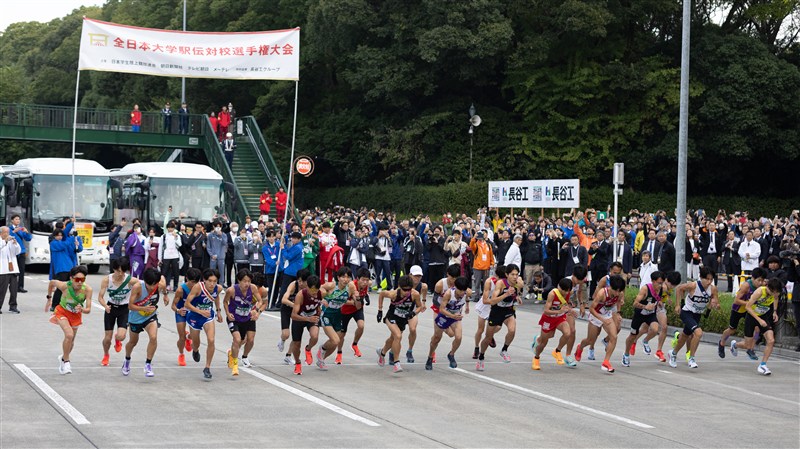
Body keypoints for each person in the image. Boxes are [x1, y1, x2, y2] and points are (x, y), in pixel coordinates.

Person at [669, 266, 720, 369]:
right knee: (698, 333)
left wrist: (715, 304)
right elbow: (679, 288)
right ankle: (691, 358)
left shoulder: (713, 289)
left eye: (711, 279)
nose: (709, 282)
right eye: (707, 279)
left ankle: (673, 353)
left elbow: (716, 302)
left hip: (697, 314)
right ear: (701, 277)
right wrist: (678, 304)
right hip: (687, 312)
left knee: (684, 337)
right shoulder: (693, 285)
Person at [46, 266, 93, 375]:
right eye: (77, 279)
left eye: (83, 279)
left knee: (71, 342)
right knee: (69, 335)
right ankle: (66, 362)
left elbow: (88, 309)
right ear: (71, 278)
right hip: (62, 311)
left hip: (75, 315)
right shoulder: (64, 286)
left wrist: (82, 309)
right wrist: (49, 298)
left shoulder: (87, 290)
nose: (80, 282)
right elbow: (52, 282)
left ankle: (63, 358)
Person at [730, 278, 782, 375]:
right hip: (752, 316)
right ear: (769, 288)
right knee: (748, 345)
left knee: (771, 340)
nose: (776, 295)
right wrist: (759, 320)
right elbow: (747, 307)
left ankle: (763, 365)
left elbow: (776, 298)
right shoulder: (759, 292)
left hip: (763, 316)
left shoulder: (775, 294)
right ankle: (735, 345)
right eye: (774, 292)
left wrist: (775, 312)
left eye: (777, 292)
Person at [573, 275, 625, 373]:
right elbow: (592, 309)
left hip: (607, 315)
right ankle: (580, 347)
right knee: (590, 340)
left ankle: (606, 362)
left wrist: (618, 313)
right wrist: (602, 319)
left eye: (619, 291)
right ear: (610, 287)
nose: (617, 293)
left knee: (614, 336)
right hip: (595, 316)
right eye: (616, 291)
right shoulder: (602, 293)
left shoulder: (620, 293)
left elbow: (618, 302)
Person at [476, 263, 523, 370]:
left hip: (509, 310)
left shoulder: (518, 282)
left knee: (512, 330)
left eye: (516, 274)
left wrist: (517, 297)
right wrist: (506, 294)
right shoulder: (500, 284)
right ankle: (481, 356)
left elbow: (518, 291)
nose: (515, 277)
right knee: (488, 338)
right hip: (497, 311)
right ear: (507, 275)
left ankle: (504, 350)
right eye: (512, 274)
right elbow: (492, 301)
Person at [123, 268, 167, 378]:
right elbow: (130, 306)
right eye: (149, 285)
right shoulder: (138, 287)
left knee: (153, 337)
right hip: (136, 318)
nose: (152, 287)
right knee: (133, 342)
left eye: (154, 285)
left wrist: (165, 295)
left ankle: (148, 364)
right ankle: (127, 360)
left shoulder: (159, 284)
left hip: (150, 316)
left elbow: (163, 284)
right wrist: (143, 308)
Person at [376, 275, 424, 373]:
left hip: (403, 319)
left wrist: (413, 313)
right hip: (392, 317)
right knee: (398, 336)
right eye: (404, 290)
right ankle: (396, 362)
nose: (407, 292)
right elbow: (381, 294)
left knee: (393, 338)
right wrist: (380, 310)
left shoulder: (415, 294)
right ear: (399, 287)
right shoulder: (393, 294)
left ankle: (382, 352)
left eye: (409, 290)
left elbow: (420, 306)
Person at [619, 272, 666, 368]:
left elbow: (657, 299)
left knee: (655, 329)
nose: (660, 285)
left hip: (650, 314)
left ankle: (645, 341)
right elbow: (635, 303)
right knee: (632, 336)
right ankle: (626, 354)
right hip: (639, 314)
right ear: (653, 281)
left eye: (662, 283)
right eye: (658, 283)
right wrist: (645, 306)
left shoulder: (662, 289)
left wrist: (659, 302)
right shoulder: (645, 289)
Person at [718, 267, 766, 359]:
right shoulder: (746, 286)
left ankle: (750, 349)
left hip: (749, 311)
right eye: (758, 280)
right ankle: (722, 343)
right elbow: (736, 300)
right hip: (738, 309)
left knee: (757, 329)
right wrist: (749, 303)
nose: (760, 283)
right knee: (732, 329)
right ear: (753, 278)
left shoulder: (761, 286)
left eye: (762, 280)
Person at [184, 268, 224, 379]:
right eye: (210, 281)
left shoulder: (218, 288)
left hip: (208, 316)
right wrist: (200, 311)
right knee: (196, 343)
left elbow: (215, 298)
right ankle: (195, 350)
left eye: (214, 281)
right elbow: (187, 304)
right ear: (204, 280)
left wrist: (218, 311)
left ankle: (207, 367)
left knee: (211, 340)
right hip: (195, 316)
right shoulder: (197, 288)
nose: (212, 284)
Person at [97, 257, 136, 367]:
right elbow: (100, 297)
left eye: (123, 271)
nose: (121, 273)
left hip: (124, 309)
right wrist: (105, 306)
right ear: (114, 269)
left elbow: (143, 286)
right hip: (111, 308)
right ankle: (106, 355)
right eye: (118, 270)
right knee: (107, 339)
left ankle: (117, 339)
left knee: (121, 336)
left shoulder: (130, 280)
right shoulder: (107, 280)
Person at [316, 267, 357, 370]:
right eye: (343, 277)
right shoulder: (331, 285)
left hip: (338, 314)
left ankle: (321, 359)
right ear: (338, 277)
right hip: (327, 314)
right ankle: (322, 348)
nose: (345, 279)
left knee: (336, 342)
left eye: (348, 277)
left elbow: (355, 294)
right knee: (335, 340)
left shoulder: (350, 287)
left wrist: (357, 297)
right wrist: (321, 299)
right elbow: (319, 289)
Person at [224, 269, 263, 376]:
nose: (247, 284)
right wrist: (227, 313)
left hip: (248, 317)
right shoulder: (231, 290)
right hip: (235, 318)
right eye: (244, 281)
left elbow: (260, 301)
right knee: (237, 339)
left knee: (250, 340)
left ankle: (244, 357)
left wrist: (256, 309)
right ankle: (235, 365)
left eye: (249, 281)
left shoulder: (253, 288)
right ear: (239, 281)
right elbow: (225, 302)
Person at [427, 276, 470, 370]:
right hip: (444, 315)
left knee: (458, 337)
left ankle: (451, 354)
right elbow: (441, 309)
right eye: (460, 290)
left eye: (464, 290)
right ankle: (430, 356)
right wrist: (452, 316)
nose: (462, 293)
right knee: (437, 338)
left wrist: (467, 306)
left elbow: (467, 298)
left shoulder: (467, 292)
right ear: (456, 287)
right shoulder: (448, 294)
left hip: (455, 317)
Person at [531, 277, 574, 371]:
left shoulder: (568, 292)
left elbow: (566, 303)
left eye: (568, 291)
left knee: (567, 333)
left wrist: (570, 308)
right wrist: (559, 311)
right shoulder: (552, 294)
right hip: (549, 318)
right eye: (565, 291)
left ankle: (557, 351)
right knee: (544, 342)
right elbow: (546, 311)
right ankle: (536, 357)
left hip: (559, 318)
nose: (567, 293)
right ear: (560, 288)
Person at [290, 275, 323, 375]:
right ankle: (298, 363)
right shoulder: (300, 295)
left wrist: (320, 310)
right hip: (299, 319)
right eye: (312, 290)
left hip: (312, 317)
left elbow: (319, 304)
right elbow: (293, 315)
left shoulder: (320, 293)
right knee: (296, 344)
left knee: (315, 336)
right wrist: (307, 318)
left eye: (316, 290)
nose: (314, 293)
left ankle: (308, 349)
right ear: (307, 287)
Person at [336, 267, 370, 363]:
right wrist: (353, 302)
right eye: (363, 280)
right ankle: (339, 353)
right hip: (345, 311)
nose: (365, 282)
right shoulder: (351, 286)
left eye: (367, 280)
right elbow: (341, 300)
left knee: (361, 326)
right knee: (342, 334)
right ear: (357, 279)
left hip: (357, 309)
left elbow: (360, 302)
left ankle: (354, 344)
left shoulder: (366, 285)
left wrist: (366, 296)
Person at [48, 222, 83, 311]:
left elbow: (76, 248)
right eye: (57, 235)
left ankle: (65, 303)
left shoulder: (66, 240)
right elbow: (64, 243)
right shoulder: (54, 243)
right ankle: (55, 305)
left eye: (61, 235)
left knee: (70, 287)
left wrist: (72, 223)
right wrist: (72, 236)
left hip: (70, 267)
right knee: (60, 287)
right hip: (61, 268)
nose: (59, 237)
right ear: (54, 236)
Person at [171, 267, 202, 366]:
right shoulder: (181, 290)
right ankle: (181, 354)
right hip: (182, 312)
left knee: (194, 336)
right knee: (181, 337)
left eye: (197, 282)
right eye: (192, 282)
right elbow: (173, 305)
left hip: (193, 312)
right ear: (187, 279)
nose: (194, 284)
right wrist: (178, 310)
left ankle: (189, 337)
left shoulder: (200, 288)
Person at [280, 268, 311, 364]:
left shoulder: (310, 287)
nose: (301, 283)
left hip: (297, 313)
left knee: (295, 337)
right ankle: (282, 340)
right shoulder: (293, 285)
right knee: (286, 334)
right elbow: (284, 299)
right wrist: (295, 305)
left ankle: (288, 356)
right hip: (287, 309)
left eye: (303, 281)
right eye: (299, 280)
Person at [473, 265, 503, 359]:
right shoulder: (489, 281)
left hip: (495, 306)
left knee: (498, 326)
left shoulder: (506, 282)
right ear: (496, 275)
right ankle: (476, 348)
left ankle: (490, 335)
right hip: (485, 306)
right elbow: (485, 300)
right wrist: (494, 301)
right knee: (480, 329)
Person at [403, 265, 430, 363]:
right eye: (415, 276)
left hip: (413, 309)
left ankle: (409, 351)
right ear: (410, 275)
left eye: (419, 276)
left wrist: (423, 302)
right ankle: (392, 353)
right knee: (398, 333)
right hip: (402, 308)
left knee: (413, 329)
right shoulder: (404, 283)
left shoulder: (422, 286)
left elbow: (425, 289)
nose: (417, 278)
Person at [0, 226, 21, 313]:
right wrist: (5, 241)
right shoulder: (2, 241)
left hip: (13, 269)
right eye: (5, 232)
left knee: (14, 289)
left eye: (8, 232)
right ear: (1, 233)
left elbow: (17, 251)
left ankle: (13, 306)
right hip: (3, 269)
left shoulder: (10, 240)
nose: (7, 234)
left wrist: (15, 244)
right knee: (2, 289)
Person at [8, 215, 31, 293]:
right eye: (16, 219)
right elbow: (7, 237)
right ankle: (12, 285)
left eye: (19, 219)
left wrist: (26, 232)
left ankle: (20, 286)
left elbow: (28, 239)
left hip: (21, 251)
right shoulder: (9, 229)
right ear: (12, 220)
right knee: (13, 270)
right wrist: (14, 232)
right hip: (12, 252)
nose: (18, 221)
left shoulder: (21, 229)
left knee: (21, 269)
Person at [159, 221, 183, 292]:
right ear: (167, 228)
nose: (170, 229)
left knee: (176, 272)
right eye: (169, 228)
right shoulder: (163, 236)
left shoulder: (177, 235)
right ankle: (164, 285)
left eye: (172, 228)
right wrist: (159, 258)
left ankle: (175, 286)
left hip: (175, 256)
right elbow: (160, 248)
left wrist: (175, 237)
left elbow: (180, 245)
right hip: (166, 256)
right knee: (164, 272)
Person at [207, 222, 228, 287]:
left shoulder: (224, 235)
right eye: (216, 226)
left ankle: (221, 285)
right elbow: (208, 246)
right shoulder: (210, 235)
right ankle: (211, 285)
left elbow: (225, 243)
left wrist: (221, 235)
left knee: (221, 272)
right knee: (212, 272)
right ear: (213, 227)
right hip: (213, 257)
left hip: (221, 257)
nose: (218, 228)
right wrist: (211, 255)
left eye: (219, 226)